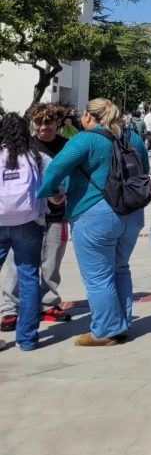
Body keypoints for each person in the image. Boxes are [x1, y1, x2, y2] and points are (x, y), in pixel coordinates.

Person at [37, 98, 149, 347]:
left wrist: (49, 191)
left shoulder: (85, 139)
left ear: (88, 116)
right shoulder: (133, 138)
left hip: (94, 213)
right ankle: (122, 323)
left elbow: (55, 169)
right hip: (131, 213)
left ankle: (106, 330)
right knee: (120, 268)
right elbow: (145, 169)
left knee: (98, 276)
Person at [1, 104, 71, 333]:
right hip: (27, 218)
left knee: (51, 261)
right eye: (39, 123)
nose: (43, 127)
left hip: (56, 216)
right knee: (17, 266)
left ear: (57, 123)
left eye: (48, 122)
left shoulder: (67, 146)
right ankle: (11, 308)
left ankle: (48, 302)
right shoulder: (28, 147)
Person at [0, 112, 50, 351]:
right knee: (29, 276)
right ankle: (27, 338)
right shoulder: (35, 157)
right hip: (28, 222)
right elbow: (53, 186)